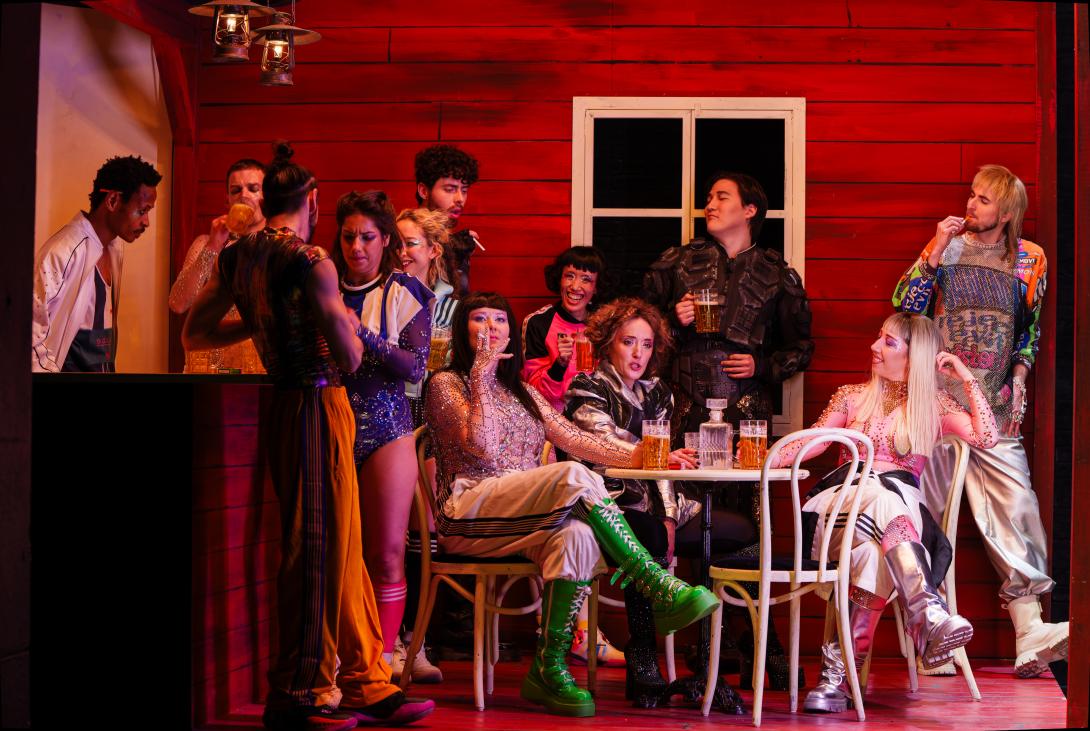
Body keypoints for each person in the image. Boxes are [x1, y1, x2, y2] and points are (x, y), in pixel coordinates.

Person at [182, 143, 433, 731]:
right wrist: (339, 320)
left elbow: (195, 333)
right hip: (319, 400)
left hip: (285, 403)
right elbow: (350, 357)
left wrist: (263, 319)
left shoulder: (238, 258)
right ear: (313, 202)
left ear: (266, 200)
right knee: (317, 549)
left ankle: (365, 679)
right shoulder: (311, 260)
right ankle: (300, 691)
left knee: (341, 547)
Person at [424, 291, 720, 718]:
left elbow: (576, 439)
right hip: (468, 513)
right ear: (461, 329)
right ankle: (654, 583)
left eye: (499, 320)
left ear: (511, 330)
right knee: (574, 474)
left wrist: (644, 457)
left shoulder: (524, 392)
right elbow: (484, 447)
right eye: (479, 319)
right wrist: (482, 374)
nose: (490, 328)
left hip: (521, 516)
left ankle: (550, 667)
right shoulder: (446, 384)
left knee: (578, 534)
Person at [770, 312, 997, 713]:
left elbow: (988, 437)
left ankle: (835, 680)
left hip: (886, 528)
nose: (874, 347)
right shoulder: (850, 396)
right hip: (841, 509)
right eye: (879, 337)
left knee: (873, 555)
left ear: (914, 356)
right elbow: (813, 445)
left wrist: (966, 378)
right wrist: (764, 457)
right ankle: (926, 612)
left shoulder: (934, 405)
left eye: (888, 342)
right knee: (878, 493)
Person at [892, 164, 1066, 678]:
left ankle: (1030, 632)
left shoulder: (1031, 259)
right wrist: (933, 250)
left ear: (1006, 212)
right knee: (924, 513)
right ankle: (931, 636)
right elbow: (905, 307)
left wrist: (1021, 375)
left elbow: (1029, 331)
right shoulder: (947, 248)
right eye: (971, 195)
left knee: (1017, 508)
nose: (971, 205)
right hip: (936, 405)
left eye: (983, 200)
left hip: (993, 404)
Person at [643, 170, 813, 689]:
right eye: (709, 197)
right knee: (692, 525)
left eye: (722, 197)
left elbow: (802, 348)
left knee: (749, 531)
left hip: (747, 417)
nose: (710, 204)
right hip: (683, 413)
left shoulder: (776, 272)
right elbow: (638, 332)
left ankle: (759, 643)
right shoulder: (676, 263)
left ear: (750, 209)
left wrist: (762, 366)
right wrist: (670, 319)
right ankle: (703, 644)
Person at [561, 297, 758, 707]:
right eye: (628, 342)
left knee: (739, 531)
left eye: (647, 345)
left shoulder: (657, 392)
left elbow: (662, 468)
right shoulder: (588, 386)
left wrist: (669, 515)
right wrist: (656, 458)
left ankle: (730, 652)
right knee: (649, 535)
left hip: (654, 502)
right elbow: (604, 445)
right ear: (608, 343)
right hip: (605, 504)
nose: (638, 354)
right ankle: (644, 654)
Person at [330, 191, 434, 684]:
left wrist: (363, 334)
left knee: (387, 552)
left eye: (367, 237)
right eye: (348, 236)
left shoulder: (404, 290)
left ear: (386, 239)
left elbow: (415, 366)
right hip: (331, 420)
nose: (357, 247)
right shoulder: (323, 283)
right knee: (336, 551)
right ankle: (337, 656)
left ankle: (383, 659)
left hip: (388, 426)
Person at [32, 155, 161, 372]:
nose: (146, 222)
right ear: (113, 201)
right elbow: (29, 336)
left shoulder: (114, 248)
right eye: (142, 211)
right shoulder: (62, 252)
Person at [169, 157, 266, 373]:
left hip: (257, 371)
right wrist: (213, 246)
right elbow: (178, 303)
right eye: (235, 190)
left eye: (253, 189)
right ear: (227, 200)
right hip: (208, 370)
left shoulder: (279, 248)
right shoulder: (206, 244)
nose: (243, 195)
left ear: (266, 197)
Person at [522, 247, 609, 411]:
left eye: (586, 279)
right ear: (559, 279)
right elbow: (535, 394)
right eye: (569, 276)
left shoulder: (604, 325)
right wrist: (559, 365)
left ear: (596, 287)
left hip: (596, 415)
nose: (575, 286)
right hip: (552, 418)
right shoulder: (538, 323)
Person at [395, 207, 458, 425]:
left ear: (434, 250)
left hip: (436, 413)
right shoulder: (379, 300)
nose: (401, 252)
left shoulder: (454, 310)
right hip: (390, 409)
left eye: (410, 243)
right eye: (396, 245)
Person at [414, 144, 481, 296]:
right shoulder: (404, 236)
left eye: (464, 190)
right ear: (424, 191)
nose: (460, 199)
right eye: (450, 189)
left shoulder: (450, 241)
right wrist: (450, 250)